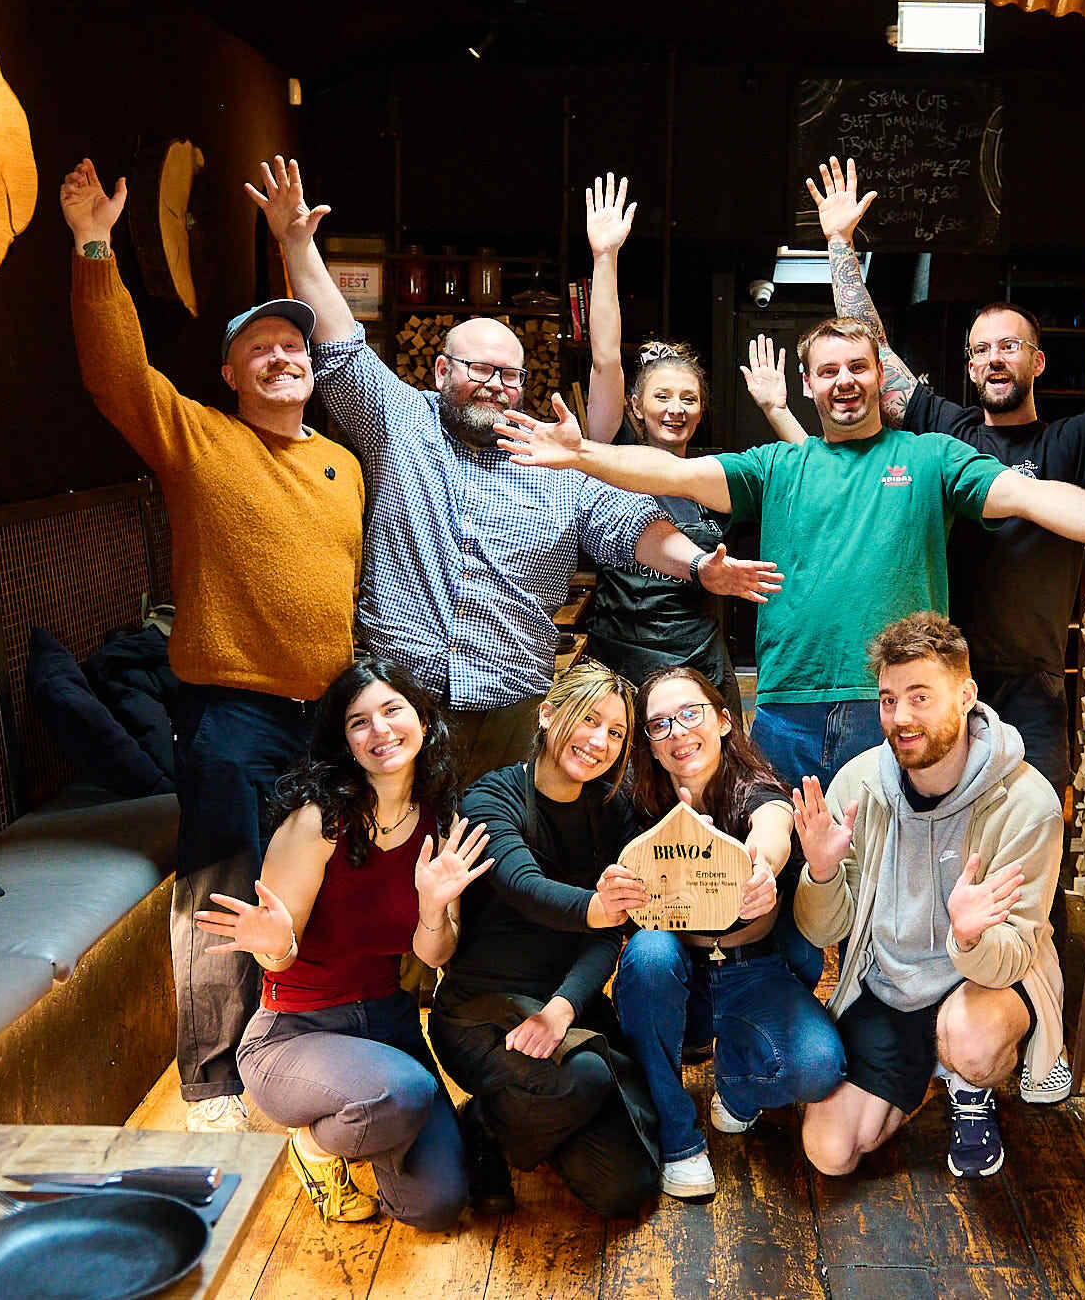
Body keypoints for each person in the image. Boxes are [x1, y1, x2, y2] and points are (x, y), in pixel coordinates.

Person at [494, 318, 1085, 797]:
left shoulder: (933, 455)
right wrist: (583, 455)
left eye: (859, 366)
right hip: (787, 707)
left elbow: (1034, 497)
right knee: (787, 875)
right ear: (808, 384)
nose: (845, 380)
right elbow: (676, 474)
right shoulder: (777, 466)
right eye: (829, 370)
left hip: (897, 707)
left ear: (881, 377)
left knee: (892, 884)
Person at [250, 158, 779, 783]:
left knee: (501, 857)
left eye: (510, 376)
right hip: (404, 706)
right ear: (442, 371)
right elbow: (340, 340)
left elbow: (630, 523)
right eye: (480, 370)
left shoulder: (548, 456)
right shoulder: (395, 420)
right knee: (402, 853)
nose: (496, 387)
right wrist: (297, 243)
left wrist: (699, 566)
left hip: (515, 706)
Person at [61, 158, 366, 1132]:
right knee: (219, 883)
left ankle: (296, 1034)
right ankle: (206, 1081)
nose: (285, 357)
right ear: (230, 372)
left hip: (326, 707)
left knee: (314, 876)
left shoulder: (343, 464)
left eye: (296, 346)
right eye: (262, 348)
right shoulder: (198, 440)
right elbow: (115, 377)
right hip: (231, 707)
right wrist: (96, 249)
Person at [757, 157, 1085, 802]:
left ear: (1037, 360)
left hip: (1031, 680)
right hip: (938, 679)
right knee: (936, 836)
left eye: (1009, 346)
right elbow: (869, 352)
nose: (995, 358)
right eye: (982, 349)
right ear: (968, 365)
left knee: (1033, 834)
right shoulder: (942, 431)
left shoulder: (1072, 442)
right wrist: (841, 246)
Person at [196, 661, 489, 1229]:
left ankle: (368, 1124)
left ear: (423, 720)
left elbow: (435, 955)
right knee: (403, 1093)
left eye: (393, 711)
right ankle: (318, 1148)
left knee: (436, 1206)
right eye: (359, 722)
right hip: (294, 1030)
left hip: (387, 1024)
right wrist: (273, 945)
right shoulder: (319, 821)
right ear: (343, 741)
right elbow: (278, 953)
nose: (380, 731)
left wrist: (431, 908)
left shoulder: (439, 817)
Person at [791, 612, 1065, 1182]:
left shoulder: (1029, 804)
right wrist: (819, 874)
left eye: (921, 696)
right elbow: (822, 934)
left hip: (984, 982)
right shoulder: (859, 785)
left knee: (971, 1040)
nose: (901, 717)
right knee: (830, 1153)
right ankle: (921, 1072)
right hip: (891, 982)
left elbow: (1016, 952)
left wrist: (967, 936)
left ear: (965, 695)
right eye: (890, 700)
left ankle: (968, 1085)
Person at [427, 659, 661, 1219]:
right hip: (479, 1011)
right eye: (588, 720)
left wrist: (561, 1008)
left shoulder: (615, 812)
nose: (599, 741)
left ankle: (506, 1123)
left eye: (616, 732)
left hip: (565, 1009)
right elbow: (522, 885)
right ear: (549, 713)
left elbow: (608, 936)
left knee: (625, 1189)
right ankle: (487, 1121)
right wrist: (597, 908)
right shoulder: (491, 796)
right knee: (586, 1076)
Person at [605, 667, 846, 1201]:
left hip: (751, 968)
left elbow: (773, 829)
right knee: (646, 954)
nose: (677, 732)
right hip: (673, 972)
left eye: (690, 714)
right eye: (659, 724)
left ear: (723, 721)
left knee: (819, 1068)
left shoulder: (756, 788)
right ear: (648, 742)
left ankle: (736, 1086)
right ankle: (678, 1135)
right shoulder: (638, 801)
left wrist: (759, 869)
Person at [575, 175, 738, 710]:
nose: (676, 409)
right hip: (614, 665)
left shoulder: (716, 478)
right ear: (635, 408)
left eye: (688, 399)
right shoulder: (611, 453)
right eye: (662, 397)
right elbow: (604, 358)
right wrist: (605, 258)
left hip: (697, 664)